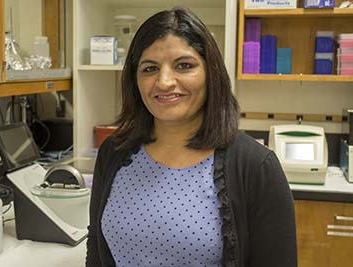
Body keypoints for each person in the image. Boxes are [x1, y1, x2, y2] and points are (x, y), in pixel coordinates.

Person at [86, 6, 297, 267]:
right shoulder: (114, 151)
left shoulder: (255, 167)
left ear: (211, 74)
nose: (164, 82)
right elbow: (96, 246)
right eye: (150, 68)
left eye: (184, 66)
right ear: (134, 80)